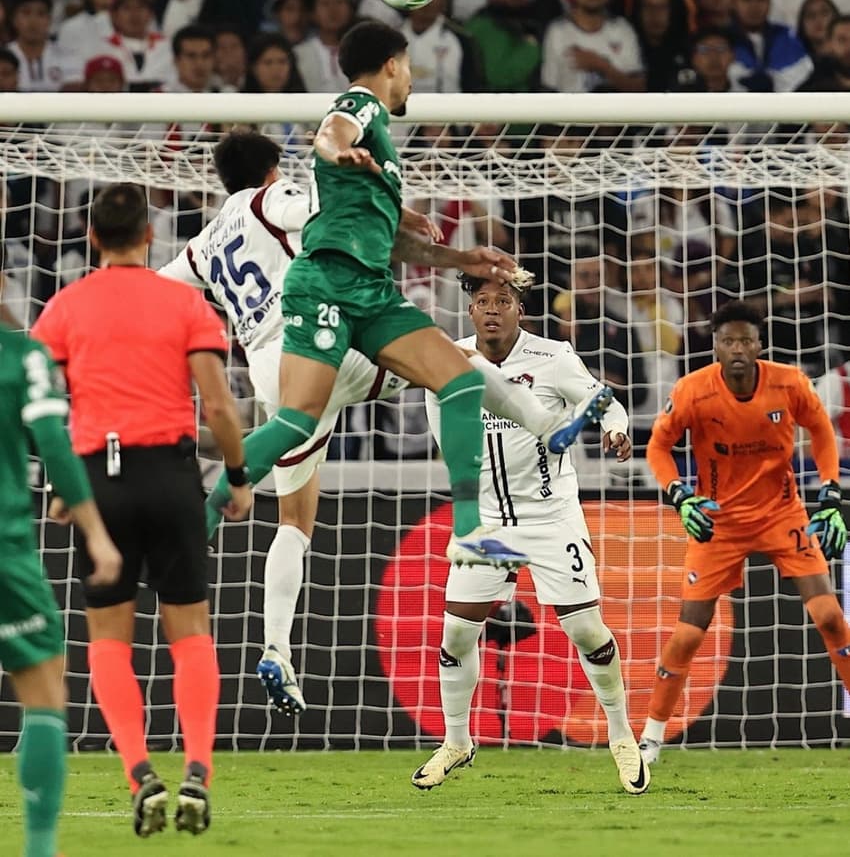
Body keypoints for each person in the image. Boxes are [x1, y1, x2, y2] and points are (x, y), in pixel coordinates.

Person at [162, 129, 612, 715]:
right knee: (455, 365)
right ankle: (537, 428)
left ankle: (276, 647)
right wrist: (400, 213)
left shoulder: (205, 242)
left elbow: (156, 285)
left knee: (295, 521)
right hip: (320, 341)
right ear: (273, 166)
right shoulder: (270, 198)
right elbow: (331, 213)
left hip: (269, 366)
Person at [202, 21, 594, 583]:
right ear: (392, 64)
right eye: (408, 67)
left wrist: (465, 261)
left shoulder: (382, 152)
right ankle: (204, 521)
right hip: (326, 286)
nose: (410, 80)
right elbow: (329, 134)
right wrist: (338, 153)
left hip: (371, 291)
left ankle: (469, 533)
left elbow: (390, 242)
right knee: (294, 422)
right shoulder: (360, 107)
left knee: (459, 380)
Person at [31, 183, 253, 838]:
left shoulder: (63, 309)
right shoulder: (184, 303)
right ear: (150, 237)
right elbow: (218, 405)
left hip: (99, 478)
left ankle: (137, 772)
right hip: (170, 473)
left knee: (107, 638)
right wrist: (237, 476)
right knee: (189, 632)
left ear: (91, 237)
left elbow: (42, 409)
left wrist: (62, 484)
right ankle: (198, 771)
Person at [413, 269, 648, 796]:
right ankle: (456, 741)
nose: (491, 309)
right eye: (482, 301)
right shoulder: (446, 359)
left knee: (586, 630)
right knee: (455, 633)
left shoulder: (554, 357)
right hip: (489, 519)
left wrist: (615, 428)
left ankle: (620, 732)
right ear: (470, 309)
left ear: (521, 309)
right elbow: (451, 439)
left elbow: (605, 401)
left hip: (549, 515)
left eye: (502, 300)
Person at [639, 300, 850, 764]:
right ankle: (651, 737)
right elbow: (658, 445)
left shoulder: (790, 382)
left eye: (745, 340)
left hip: (782, 515)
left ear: (759, 345)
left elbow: (821, 430)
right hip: (719, 522)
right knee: (690, 634)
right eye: (728, 341)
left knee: (831, 618)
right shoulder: (694, 390)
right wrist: (680, 495)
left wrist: (830, 493)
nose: (737, 348)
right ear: (715, 346)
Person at [0, 324, 120, 857]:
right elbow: (54, 441)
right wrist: (96, 534)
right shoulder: (22, 356)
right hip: (5, 549)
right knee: (45, 687)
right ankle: (39, 850)